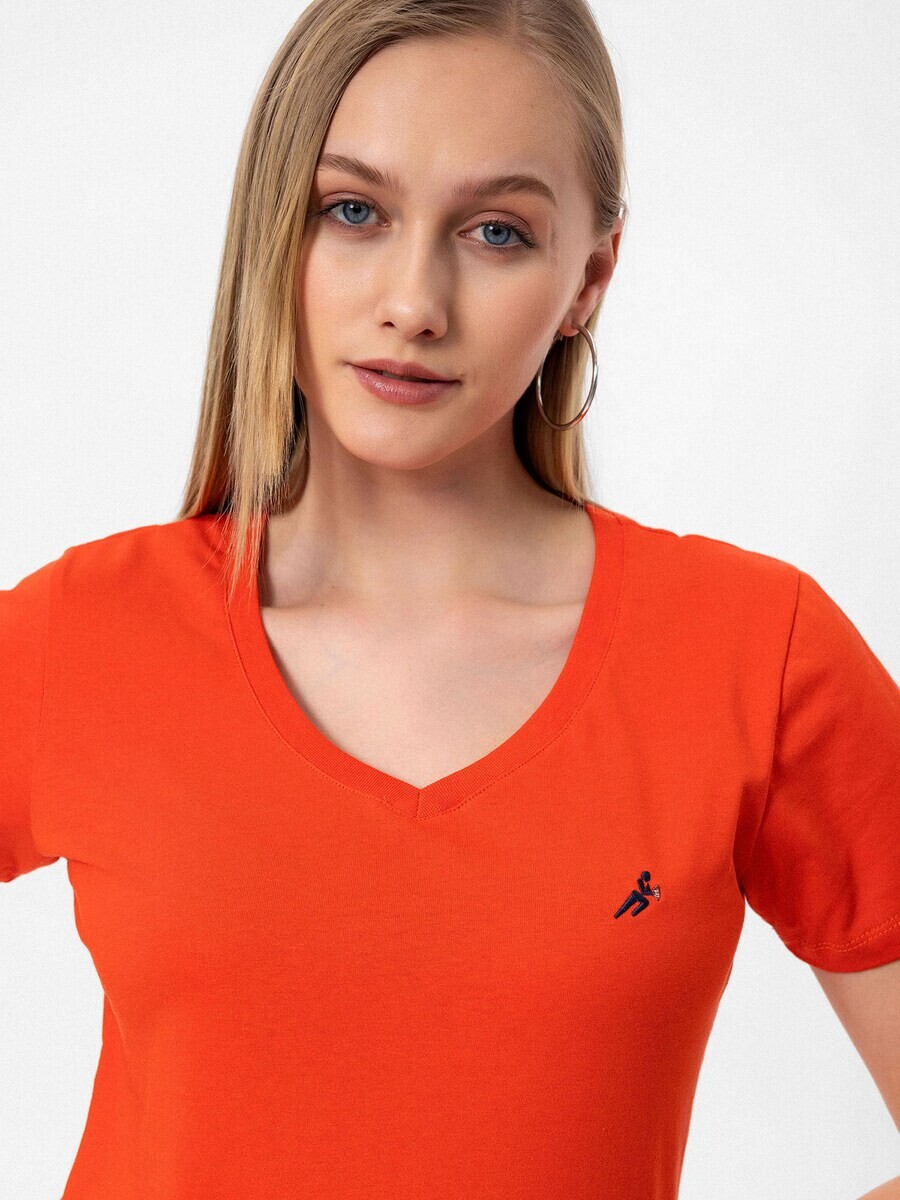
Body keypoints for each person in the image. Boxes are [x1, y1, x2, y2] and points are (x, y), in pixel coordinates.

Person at [2, 1, 898, 1197]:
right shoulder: (88, 636)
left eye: (495, 232)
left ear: (589, 278)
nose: (414, 302)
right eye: (353, 211)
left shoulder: (756, 656)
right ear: (276, 225)